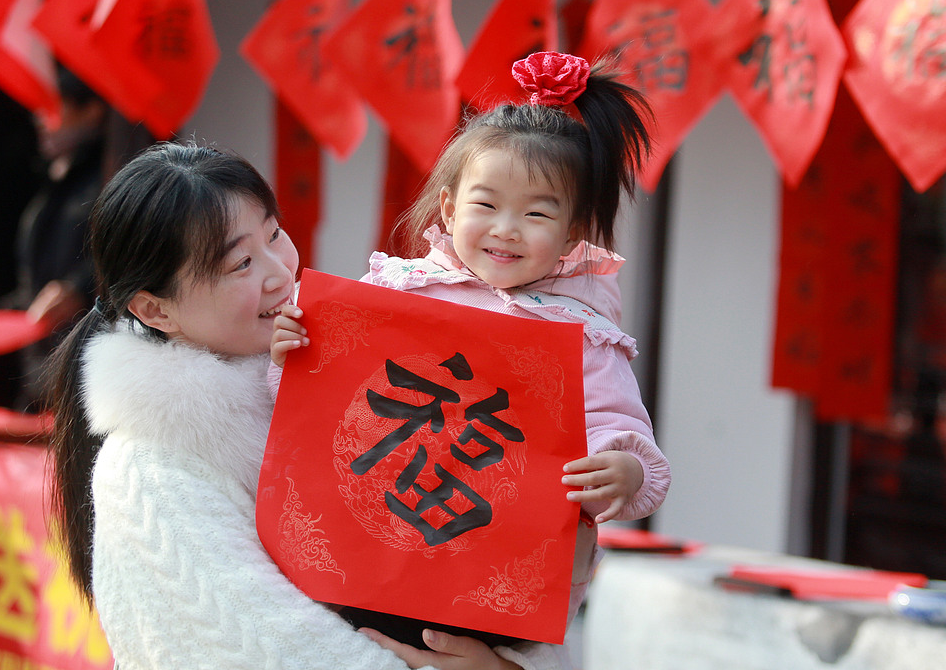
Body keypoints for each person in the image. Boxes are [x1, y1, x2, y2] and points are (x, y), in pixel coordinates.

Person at [47, 142, 564, 670]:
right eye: (241, 263)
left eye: (274, 234)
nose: (279, 271)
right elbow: (274, 650)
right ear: (154, 309)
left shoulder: (339, 380)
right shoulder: (149, 469)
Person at [271, 52, 671, 643]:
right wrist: (292, 352)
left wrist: (624, 470)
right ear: (449, 206)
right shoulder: (396, 293)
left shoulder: (582, 331)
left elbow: (615, 425)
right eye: (485, 205)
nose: (506, 228)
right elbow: (322, 403)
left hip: (487, 580)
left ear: (573, 231)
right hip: (370, 545)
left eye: (537, 213)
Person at [0, 67, 108, 410]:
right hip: (40, 383)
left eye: (52, 107)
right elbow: (34, 295)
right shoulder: (48, 193)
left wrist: (80, 289)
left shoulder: (111, 182)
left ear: (92, 110)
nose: (39, 119)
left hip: (89, 382)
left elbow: (134, 256)